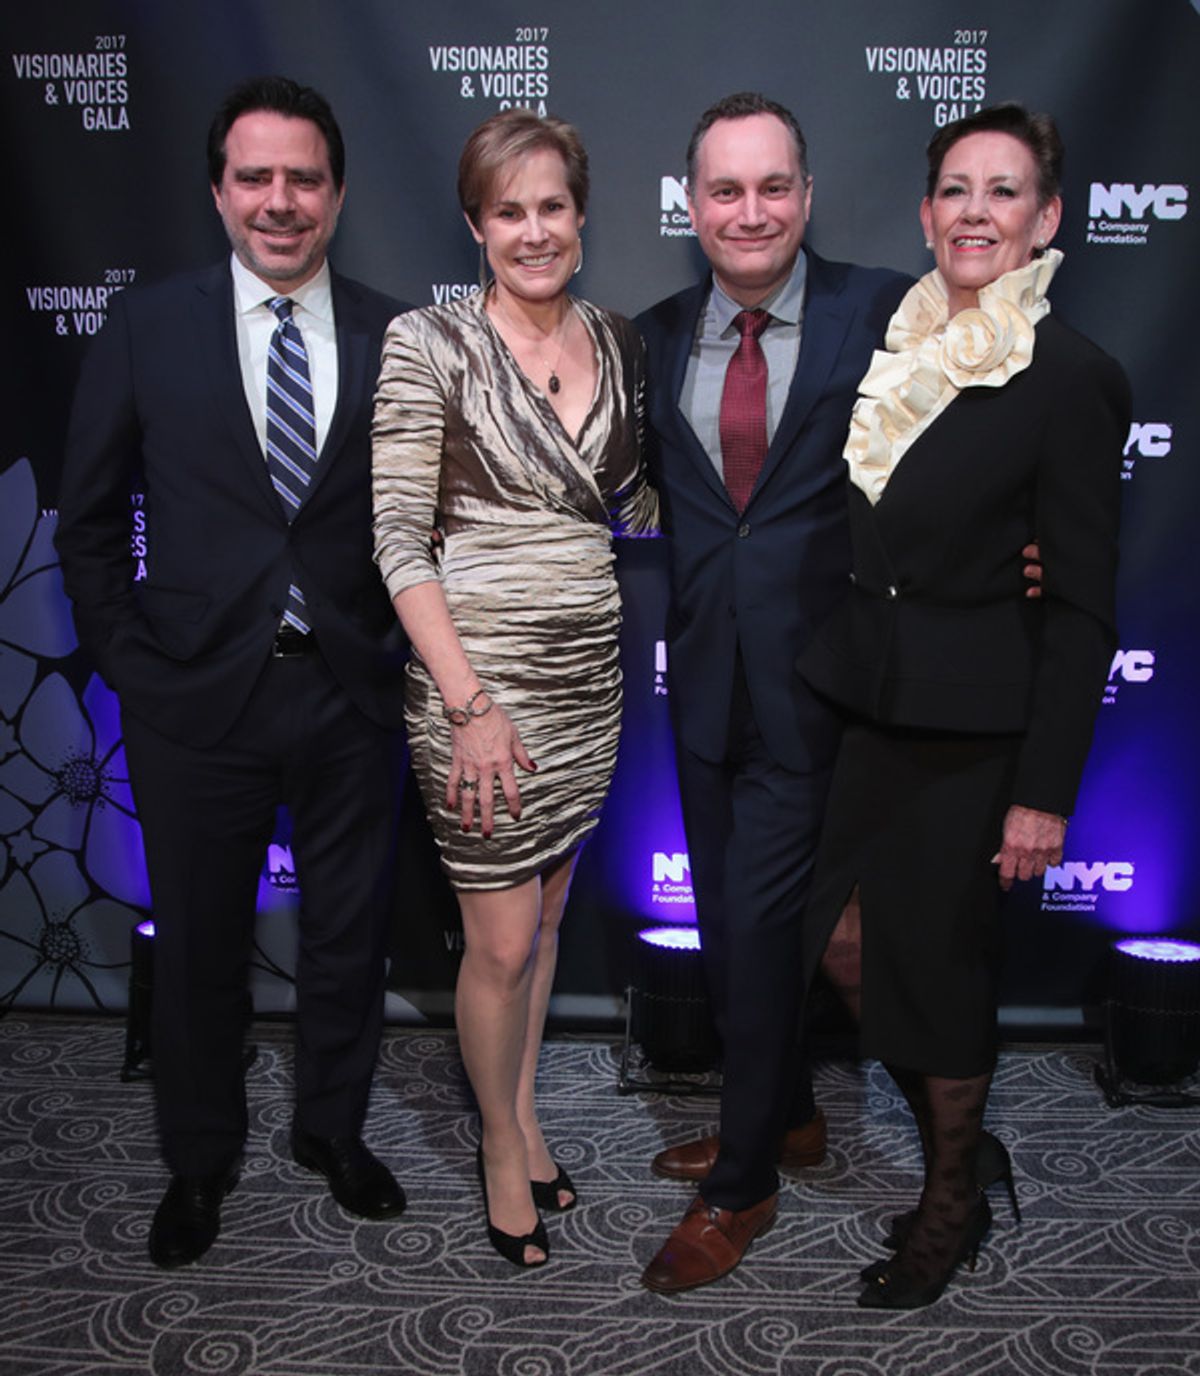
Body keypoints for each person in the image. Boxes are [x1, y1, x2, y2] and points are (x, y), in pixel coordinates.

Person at [55, 76, 411, 1268]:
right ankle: (199, 1158)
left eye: (302, 177)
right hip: (193, 699)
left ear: (338, 193)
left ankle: (333, 1131)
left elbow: (432, 524)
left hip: (352, 691)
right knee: (200, 944)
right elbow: (90, 523)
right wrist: (133, 667)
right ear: (217, 192)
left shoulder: (394, 332)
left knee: (349, 937)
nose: (279, 200)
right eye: (254, 177)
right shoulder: (148, 328)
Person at [799, 103, 1129, 1309]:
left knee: (940, 968)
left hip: (977, 732)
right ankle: (958, 1142)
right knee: (836, 938)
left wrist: (1046, 790)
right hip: (868, 707)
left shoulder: (1077, 377)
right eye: (954, 189)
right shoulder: (894, 340)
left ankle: (950, 1200)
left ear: (1045, 219)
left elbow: (1084, 608)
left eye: (1003, 192)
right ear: (926, 210)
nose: (974, 212)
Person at [635, 93, 911, 1293]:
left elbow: (969, 454)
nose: (750, 211)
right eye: (725, 190)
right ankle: (789, 1113)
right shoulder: (649, 335)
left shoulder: (886, 312)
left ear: (807, 194)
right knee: (736, 933)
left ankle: (742, 1181)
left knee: (758, 938)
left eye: (773, 186)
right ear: (692, 204)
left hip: (821, 691)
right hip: (701, 684)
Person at [371, 110, 656, 1269]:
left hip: (589, 685)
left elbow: (642, 509)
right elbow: (397, 538)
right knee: (494, 943)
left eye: (551, 207)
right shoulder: (426, 341)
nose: (531, 231)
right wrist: (470, 703)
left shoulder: (621, 340)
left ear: (582, 219)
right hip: (475, 695)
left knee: (542, 923)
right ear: (477, 226)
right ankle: (498, 1140)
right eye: (506, 211)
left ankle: (527, 1110)